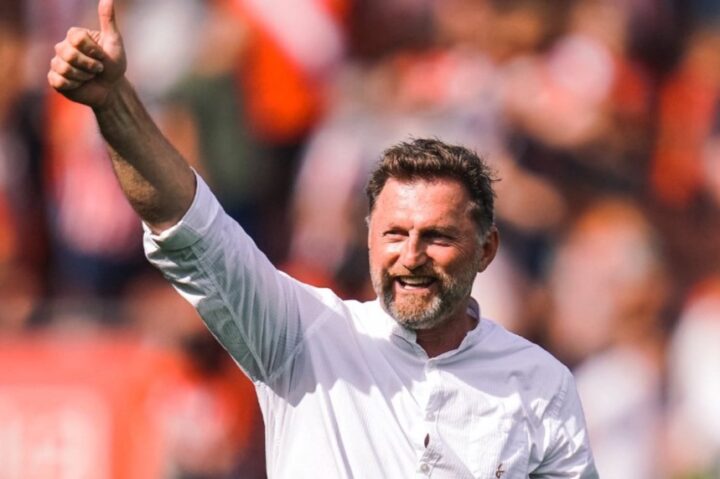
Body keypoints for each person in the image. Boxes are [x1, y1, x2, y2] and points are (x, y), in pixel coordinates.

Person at [47, 1, 599, 476]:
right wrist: (113, 105)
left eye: (436, 237)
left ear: (486, 250)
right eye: (394, 233)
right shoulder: (303, 336)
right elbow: (186, 222)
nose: (411, 256)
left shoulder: (540, 384)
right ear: (368, 239)